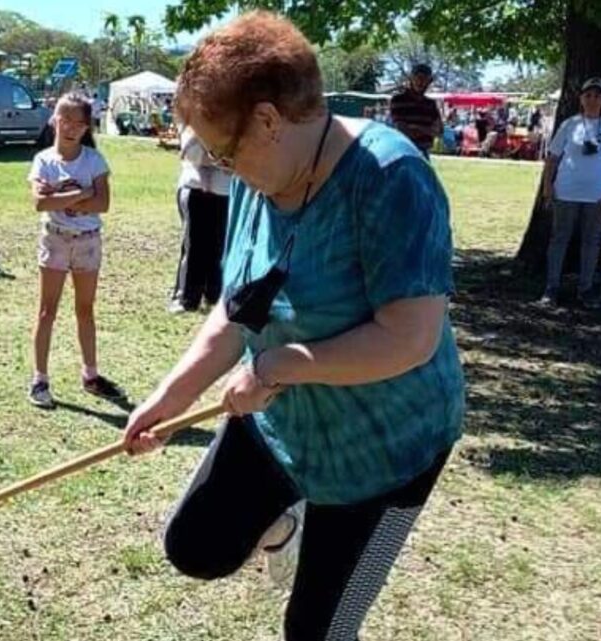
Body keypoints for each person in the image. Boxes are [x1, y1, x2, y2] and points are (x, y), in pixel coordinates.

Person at [122, 12, 464, 641]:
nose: (220, 166)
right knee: (195, 546)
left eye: (224, 151)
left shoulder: (391, 178)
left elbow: (410, 339)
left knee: (318, 632)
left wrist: (277, 366)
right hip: (285, 419)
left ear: (269, 121)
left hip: (387, 447)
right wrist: (169, 397)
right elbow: (238, 306)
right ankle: (291, 514)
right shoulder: (261, 176)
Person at [26, 93, 127, 409]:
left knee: (85, 310)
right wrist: (80, 194)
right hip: (54, 239)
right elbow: (40, 203)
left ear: (86, 128)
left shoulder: (94, 161)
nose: (69, 127)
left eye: (77, 123)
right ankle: (40, 378)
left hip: (87, 241)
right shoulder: (44, 159)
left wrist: (64, 194)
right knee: (47, 311)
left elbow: (103, 203)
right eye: (63, 119)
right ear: (53, 119)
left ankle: (91, 375)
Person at [539, 76, 601, 309]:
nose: (592, 99)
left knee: (591, 242)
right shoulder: (569, 125)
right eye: (588, 94)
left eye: (598, 95)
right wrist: (548, 187)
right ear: (581, 99)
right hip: (566, 192)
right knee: (559, 239)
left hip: (598, 197)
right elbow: (553, 158)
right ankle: (551, 288)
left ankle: (585, 289)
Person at [169, 125, 232, 313]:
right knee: (194, 244)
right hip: (195, 186)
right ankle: (186, 298)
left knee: (220, 244)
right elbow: (190, 151)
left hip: (225, 189)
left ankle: (214, 295)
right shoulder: (193, 120)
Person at [389, 63, 442, 158]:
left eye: (425, 79)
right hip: (403, 151)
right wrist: (427, 130)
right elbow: (402, 130)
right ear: (411, 79)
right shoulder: (398, 100)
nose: (421, 82)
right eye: (418, 77)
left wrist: (415, 127)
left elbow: (439, 131)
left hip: (424, 153)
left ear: (429, 81)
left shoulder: (430, 104)